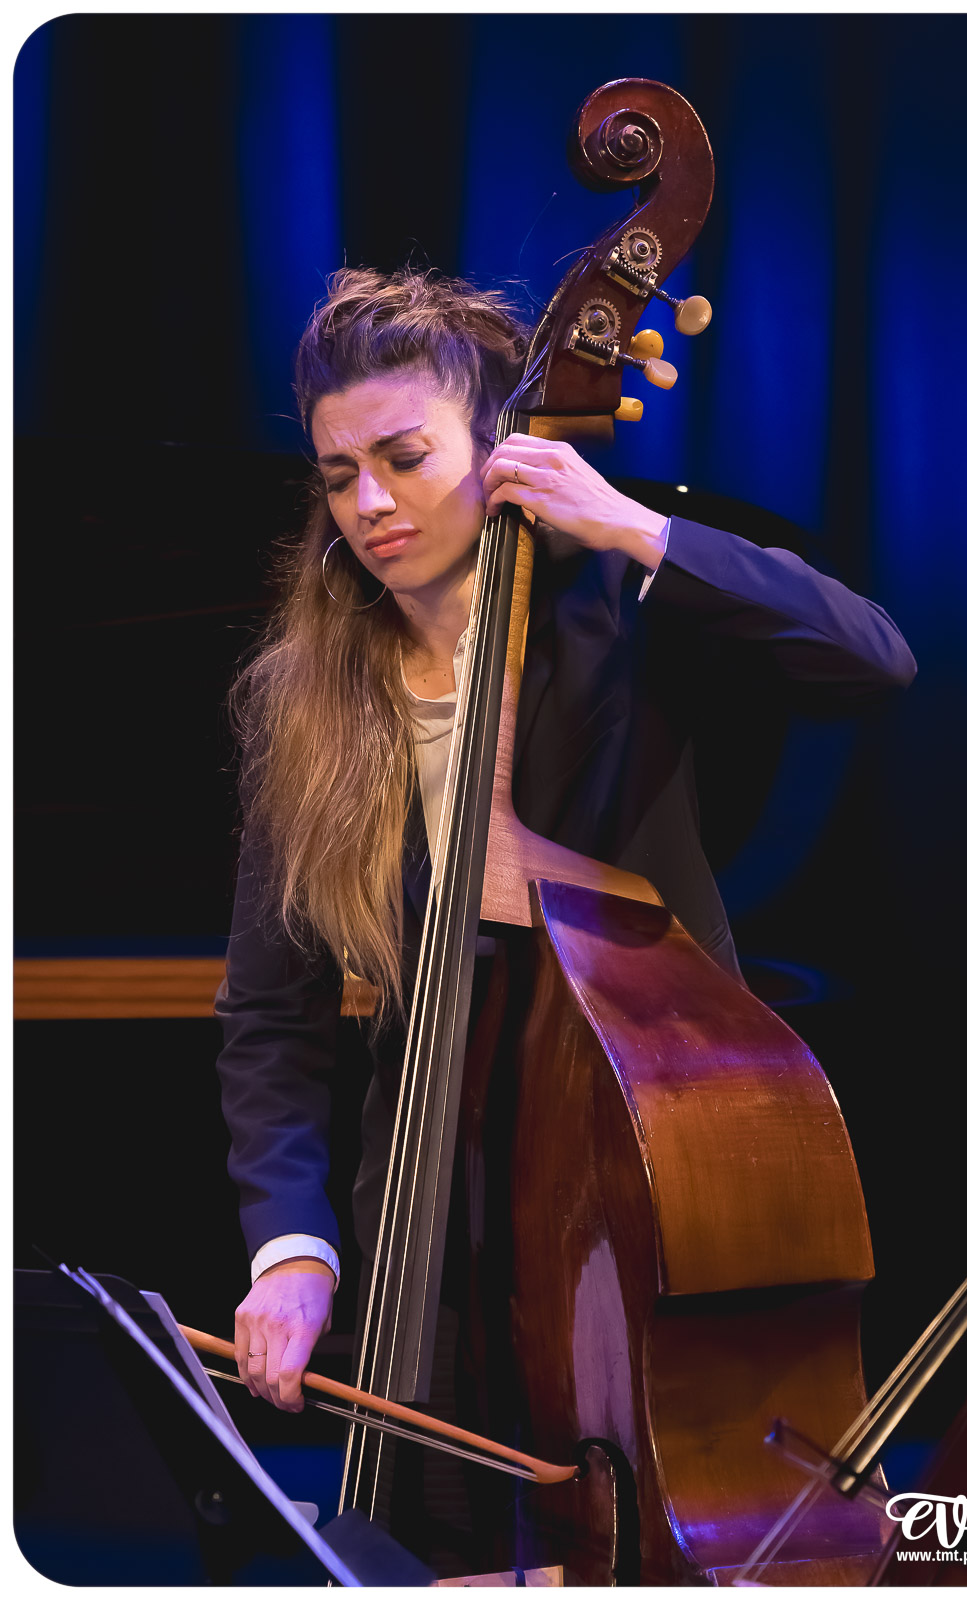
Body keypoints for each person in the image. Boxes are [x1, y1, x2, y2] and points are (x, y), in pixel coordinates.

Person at [216, 265, 916, 1416]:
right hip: (423, 1204)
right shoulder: (304, 697)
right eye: (339, 475)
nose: (370, 504)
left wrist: (638, 529)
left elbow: (873, 660)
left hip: (641, 1156)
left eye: (405, 457)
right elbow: (267, 1012)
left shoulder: (618, 613)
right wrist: (291, 1244)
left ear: (499, 447)